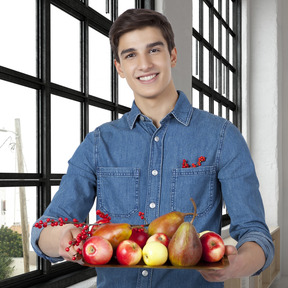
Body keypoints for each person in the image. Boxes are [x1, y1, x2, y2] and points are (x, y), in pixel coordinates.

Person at [31, 8, 274, 287]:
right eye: (130, 54)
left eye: (154, 50)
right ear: (120, 67)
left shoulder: (222, 137)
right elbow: (43, 230)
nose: (144, 64)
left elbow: (256, 235)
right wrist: (63, 239)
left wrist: (236, 265)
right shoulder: (98, 144)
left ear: (172, 55)